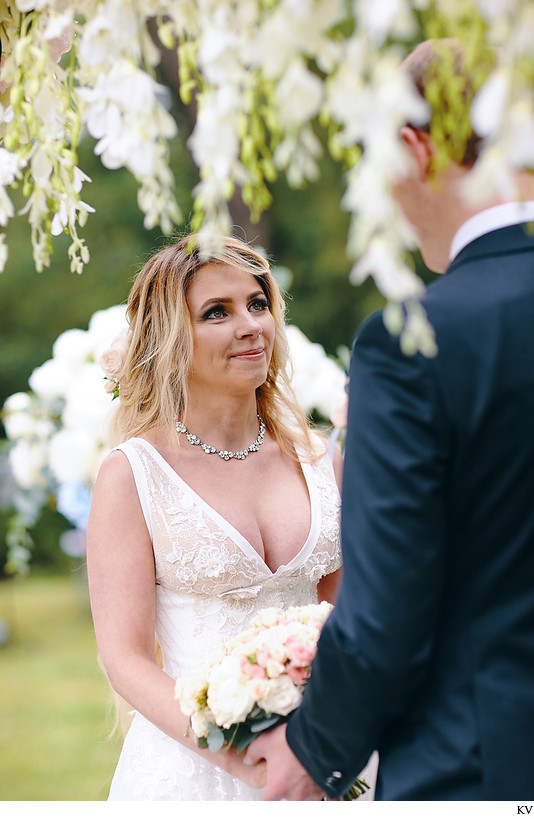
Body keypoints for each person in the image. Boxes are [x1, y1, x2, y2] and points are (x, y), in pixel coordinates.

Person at [245, 38, 534, 800]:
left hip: (486, 766)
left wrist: (314, 746)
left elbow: (387, 605)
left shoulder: (416, 343)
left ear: (416, 148)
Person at [86, 233, 344, 800]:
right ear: (171, 339)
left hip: (326, 751)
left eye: (257, 303)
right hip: (195, 771)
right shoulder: (133, 475)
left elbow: (345, 614)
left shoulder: (320, 459)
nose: (251, 325)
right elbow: (125, 659)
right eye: (216, 313)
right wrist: (242, 759)